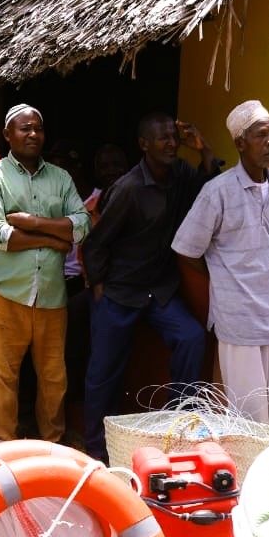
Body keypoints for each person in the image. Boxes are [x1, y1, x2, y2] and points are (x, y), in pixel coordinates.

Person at [80, 112, 215, 462]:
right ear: (144, 144)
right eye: (163, 138)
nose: (171, 143)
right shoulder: (127, 189)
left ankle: (173, 427)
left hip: (160, 290)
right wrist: (98, 288)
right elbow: (96, 243)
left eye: (174, 137)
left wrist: (203, 149)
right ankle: (96, 448)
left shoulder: (181, 174)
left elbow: (211, 188)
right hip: (120, 291)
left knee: (191, 338)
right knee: (104, 371)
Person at [173, 100, 269, 426]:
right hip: (239, 317)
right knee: (248, 413)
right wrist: (225, 280)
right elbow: (186, 250)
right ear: (240, 143)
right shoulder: (217, 192)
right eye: (261, 135)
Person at [0, 104, 89, 442]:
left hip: (52, 296)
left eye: (38, 128)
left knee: (54, 377)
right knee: (4, 376)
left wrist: (33, 222)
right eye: (24, 129)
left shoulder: (61, 178)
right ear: (7, 134)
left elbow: (82, 226)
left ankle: (51, 445)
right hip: (8, 294)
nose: (33, 134)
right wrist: (54, 238)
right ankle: (4, 446)